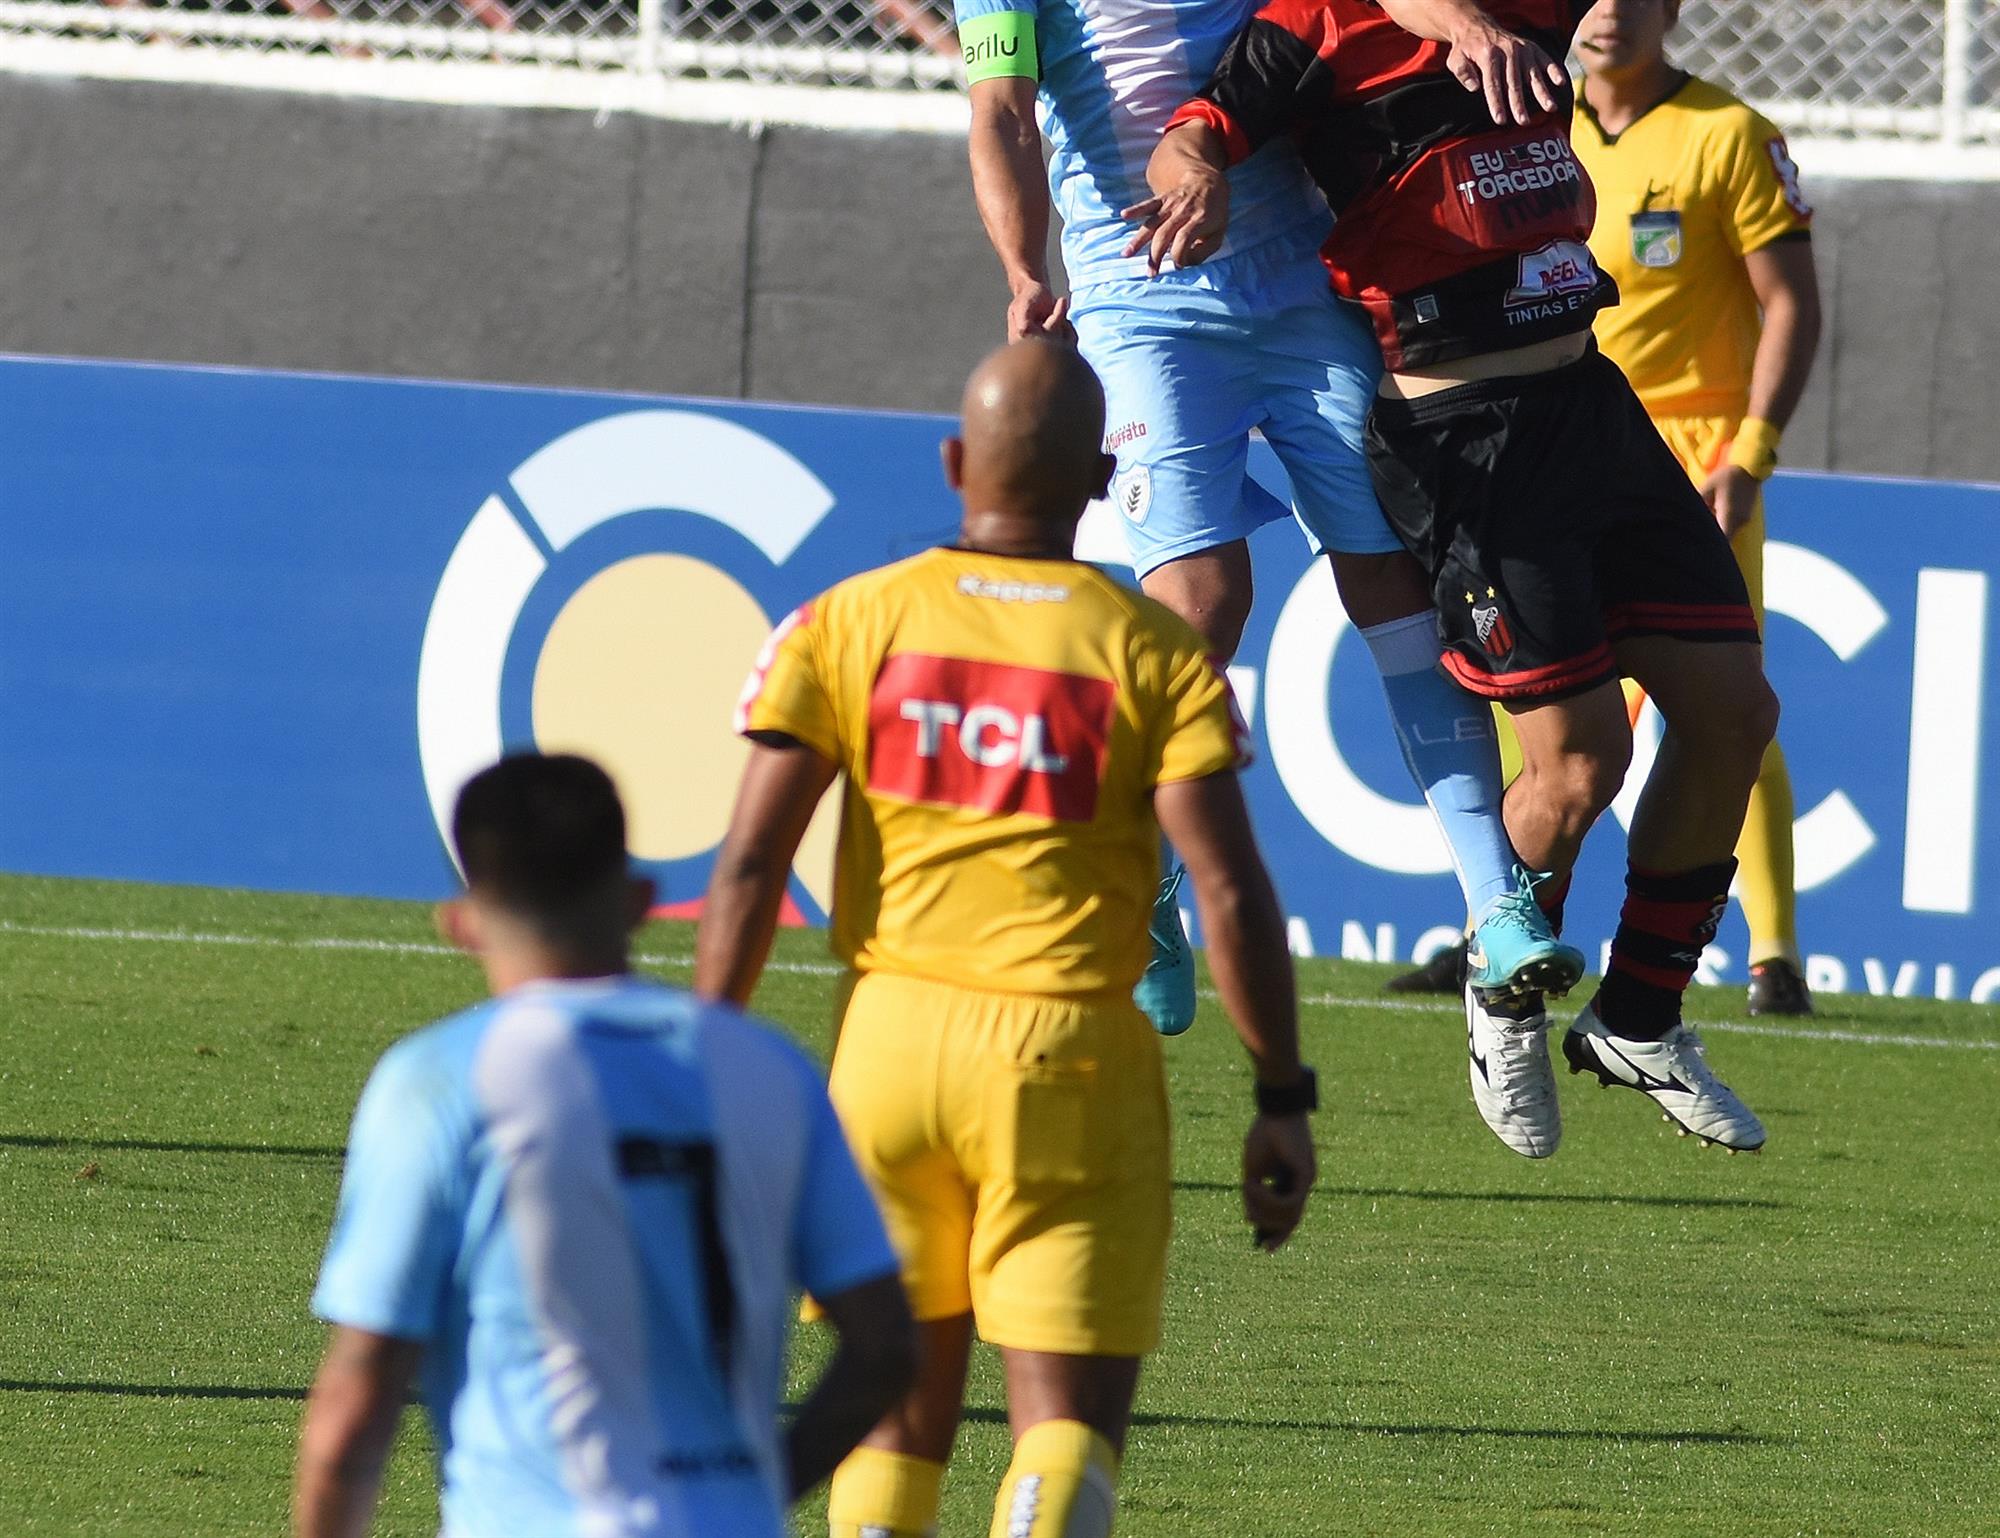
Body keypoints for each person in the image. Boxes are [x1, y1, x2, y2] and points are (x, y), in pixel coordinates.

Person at [695, 338, 1318, 1538]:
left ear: (951, 462)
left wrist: (710, 1058)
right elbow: (1229, 889)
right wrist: (1279, 1089)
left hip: (886, 1051)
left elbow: (745, 865)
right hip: (1071, 1057)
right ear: (1098, 478)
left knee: (889, 1416)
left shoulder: (849, 622)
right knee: (1062, 1423)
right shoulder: (1151, 651)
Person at [1137, 0, 1776, 1157]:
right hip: (1459, 426)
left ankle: (1637, 1014)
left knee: (1735, 709)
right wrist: (1190, 169)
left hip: (1590, 396)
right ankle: (1504, 990)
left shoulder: (1536, 8)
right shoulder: (1311, 28)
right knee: (1579, 758)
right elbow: (1194, 131)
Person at [953, 0, 1585, 1035]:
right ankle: (1140, 879)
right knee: (1200, 606)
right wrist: (1026, 273)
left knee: (1393, 583)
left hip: (1300, 282)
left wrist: (1465, 28)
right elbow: (1003, 115)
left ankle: (1495, 903)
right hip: (1139, 297)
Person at [295, 752, 915, 1538]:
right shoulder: (770, 1070)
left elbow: (360, 1390)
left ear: (463, 922)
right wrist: (755, 1495)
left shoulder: (441, 1082)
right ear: (639, 901)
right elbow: (889, 1345)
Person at [1574, 0, 1822, 1016]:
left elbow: (1791, 304)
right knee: (1538, 698)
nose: (1607, 15)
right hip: (1562, 449)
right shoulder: (1526, 129)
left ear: (1669, 13)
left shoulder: (1726, 134)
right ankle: (1503, 925)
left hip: (1692, 461)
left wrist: (1747, 453)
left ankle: (1772, 952)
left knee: (1719, 702)